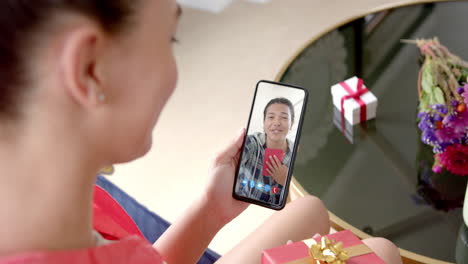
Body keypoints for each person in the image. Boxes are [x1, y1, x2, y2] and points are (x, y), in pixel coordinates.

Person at [0, 0, 403, 263]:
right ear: (91, 68)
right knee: (382, 252)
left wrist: (210, 212)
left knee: (309, 209)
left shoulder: (57, 202)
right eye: (169, 37)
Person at [236, 97, 295, 205]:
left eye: (284, 117)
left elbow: (296, 204)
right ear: (263, 123)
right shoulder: (250, 143)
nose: (277, 122)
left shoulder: (297, 156)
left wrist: (287, 182)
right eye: (271, 117)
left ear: (292, 124)